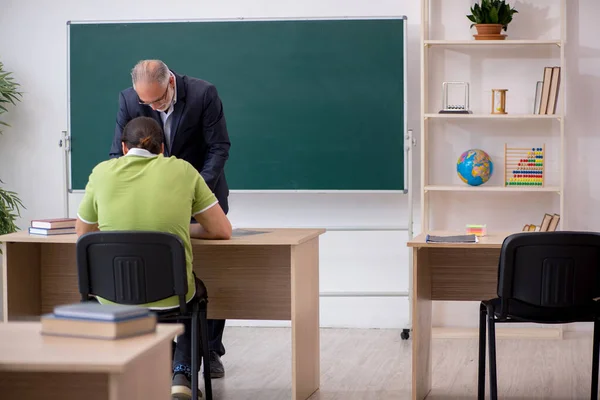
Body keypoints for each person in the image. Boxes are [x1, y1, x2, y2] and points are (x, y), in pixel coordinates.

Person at [78, 116, 232, 399]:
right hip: (170, 296)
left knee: (181, 290)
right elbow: (222, 230)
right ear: (163, 149)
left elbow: (84, 232)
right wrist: (177, 230)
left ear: (124, 148)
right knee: (190, 294)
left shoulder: (101, 172)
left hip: (111, 296)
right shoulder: (183, 171)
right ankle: (182, 372)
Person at [109, 59, 231, 378]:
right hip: (152, 199)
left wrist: (193, 191)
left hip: (201, 192)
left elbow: (218, 147)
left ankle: (210, 350)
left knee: (211, 273)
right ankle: (167, 354)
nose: (151, 106)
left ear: (171, 83)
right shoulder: (128, 99)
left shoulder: (204, 94)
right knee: (162, 273)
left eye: (158, 100)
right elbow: (116, 154)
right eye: (145, 102)